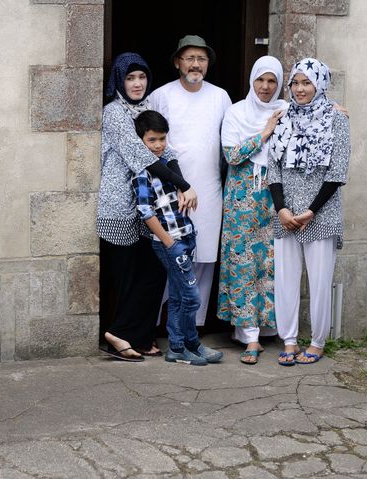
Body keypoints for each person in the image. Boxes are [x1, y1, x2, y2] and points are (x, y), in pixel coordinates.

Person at [98, 52, 196, 361]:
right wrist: (184, 185)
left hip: (149, 206)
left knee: (152, 272)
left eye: (141, 77)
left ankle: (138, 336)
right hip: (119, 208)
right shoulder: (113, 113)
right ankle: (118, 335)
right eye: (130, 77)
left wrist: (181, 183)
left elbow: (168, 149)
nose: (137, 83)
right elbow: (141, 156)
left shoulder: (148, 108)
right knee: (128, 277)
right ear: (119, 80)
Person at [267, 58, 350, 366]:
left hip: (322, 214)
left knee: (319, 280)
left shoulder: (336, 118)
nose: (300, 89)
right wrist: (282, 210)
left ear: (320, 84)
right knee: (285, 280)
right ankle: (288, 339)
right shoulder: (283, 116)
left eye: (307, 83)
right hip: (286, 215)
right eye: (296, 83)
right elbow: (273, 167)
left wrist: (311, 211)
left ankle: (316, 341)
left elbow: (338, 171)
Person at [150, 35, 232, 328]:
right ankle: (162, 325)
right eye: (190, 58)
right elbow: (149, 138)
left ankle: (193, 326)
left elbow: (239, 130)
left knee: (204, 257)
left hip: (208, 188)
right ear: (177, 62)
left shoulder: (220, 96)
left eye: (202, 58)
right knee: (171, 253)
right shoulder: (161, 95)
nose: (196, 64)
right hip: (170, 188)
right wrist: (174, 183)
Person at [132, 110, 223, 366]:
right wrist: (169, 242)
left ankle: (179, 347)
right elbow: (145, 212)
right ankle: (187, 344)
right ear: (140, 141)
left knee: (177, 295)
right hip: (169, 243)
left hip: (186, 237)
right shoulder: (143, 173)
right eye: (152, 140)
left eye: (162, 139)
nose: (158, 145)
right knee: (191, 296)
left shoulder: (168, 166)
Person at [217, 56, 286, 364]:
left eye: (272, 81)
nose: (266, 87)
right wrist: (265, 133)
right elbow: (231, 155)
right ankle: (250, 338)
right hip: (241, 202)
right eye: (261, 80)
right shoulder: (236, 112)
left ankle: (266, 331)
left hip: (273, 198)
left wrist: (337, 108)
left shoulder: (286, 110)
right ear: (252, 80)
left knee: (268, 264)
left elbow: (314, 108)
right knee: (242, 264)